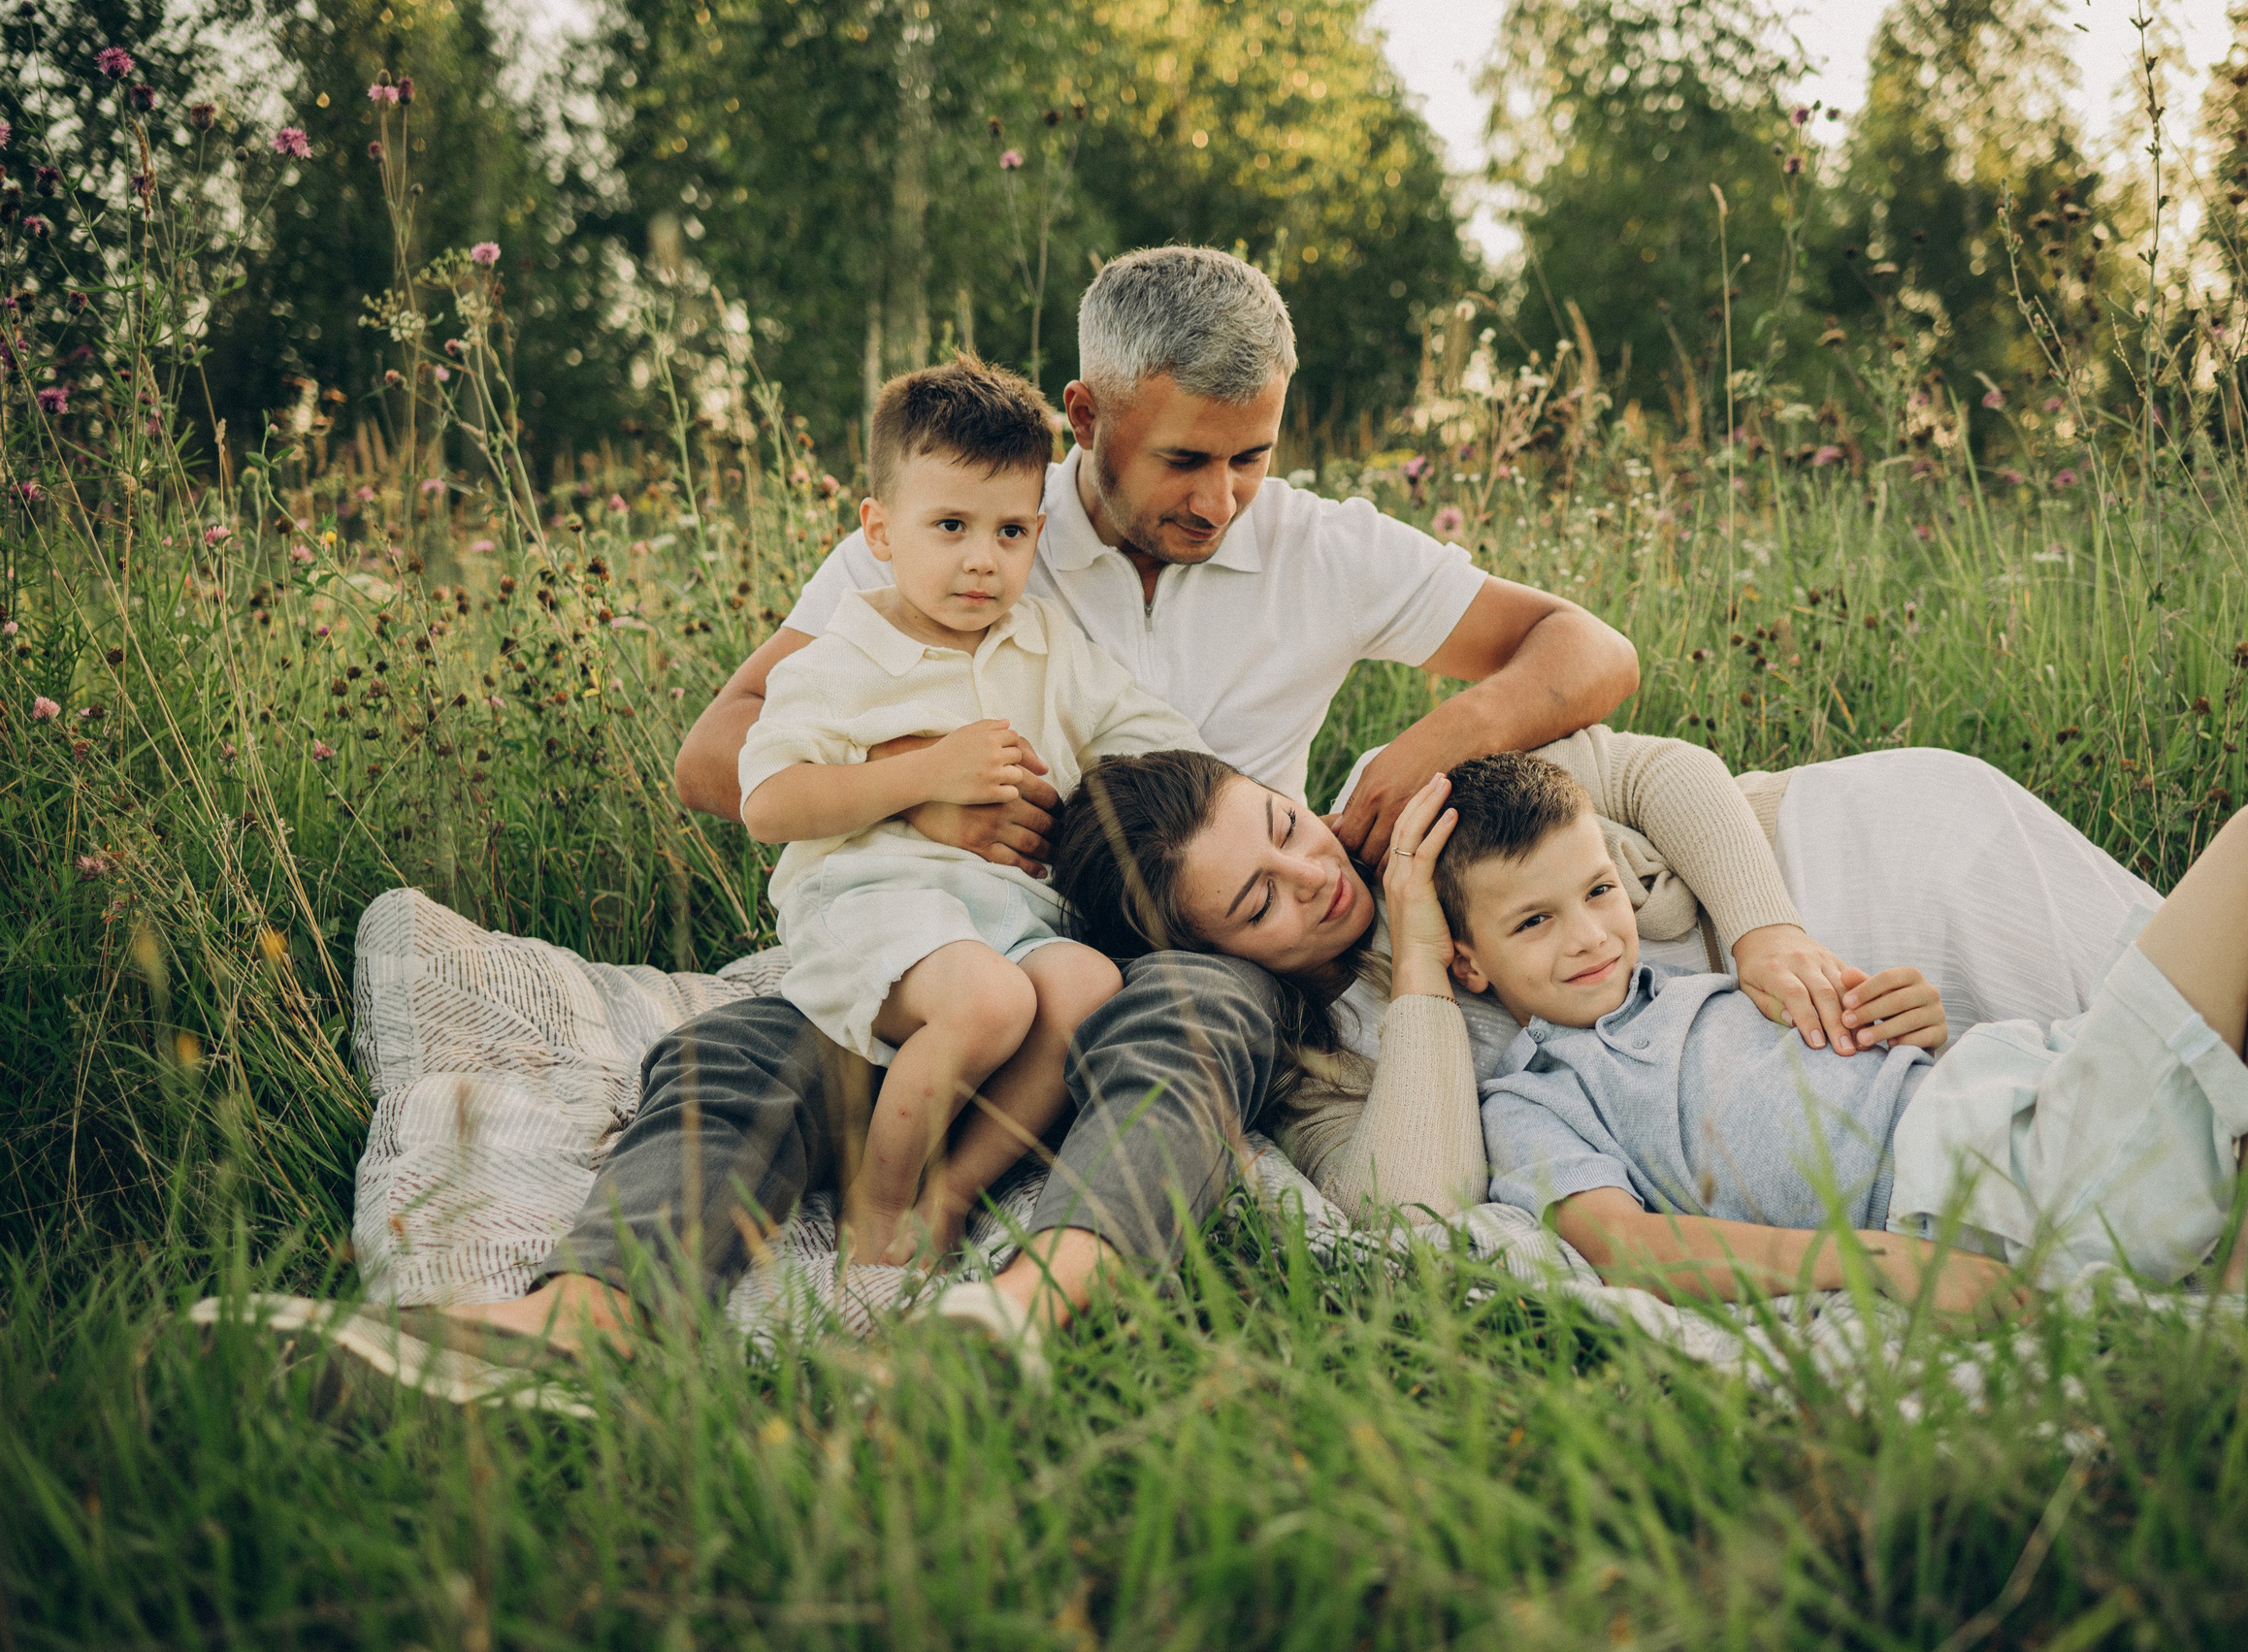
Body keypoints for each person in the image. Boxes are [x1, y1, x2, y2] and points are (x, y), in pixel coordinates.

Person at [351, 243, 1648, 1379]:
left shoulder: (1321, 546)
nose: (1219, 498)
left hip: (1208, 941)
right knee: (747, 1049)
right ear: (1085, 414)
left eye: (1252, 456)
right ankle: (576, 1321)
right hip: (963, 933)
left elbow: (1586, 648)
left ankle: (1008, 1315)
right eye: (1182, 459)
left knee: (1182, 1022)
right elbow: (718, 756)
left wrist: (1439, 733)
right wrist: (922, 785)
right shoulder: (969, 526)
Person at [1426, 751, 2248, 1306]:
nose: (1587, 937)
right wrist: (1872, 1260)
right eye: (1531, 921)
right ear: (1465, 960)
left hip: (2023, 1091)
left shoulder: (1684, 984)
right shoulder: (1537, 1094)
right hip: (2006, 1171)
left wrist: (1929, 1032)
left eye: (1599, 890)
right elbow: (1632, 1246)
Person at [737, 357, 1198, 1267]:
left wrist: (1082, 797)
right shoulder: (842, 658)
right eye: (949, 526)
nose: (983, 559)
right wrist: (925, 778)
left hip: (1014, 913)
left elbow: (1158, 739)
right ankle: (878, 1203)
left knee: (1084, 988)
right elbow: (769, 804)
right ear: (879, 529)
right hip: (871, 897)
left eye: (1011, 531)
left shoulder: (1046, 645)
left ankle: (948, 1196)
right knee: (988, 1000)